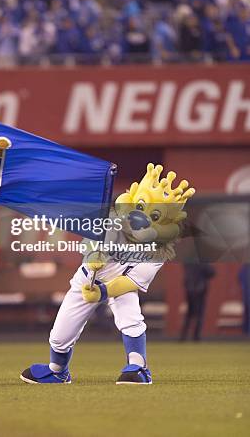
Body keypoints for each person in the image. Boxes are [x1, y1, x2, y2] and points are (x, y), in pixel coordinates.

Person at [20, 164, 195, 385]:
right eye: (141, 206)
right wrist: (94, 253)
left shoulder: (157, 250)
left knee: (131, 320)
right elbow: (89, 240)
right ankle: (57, 370)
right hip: (86, 280)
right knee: (60, 334)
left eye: (155, 215)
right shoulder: (111, 220)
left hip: (120, 285)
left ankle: (138, 367)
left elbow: (131, 281)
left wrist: (102, 292)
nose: (142, 217)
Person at [180, 263, 215, 341]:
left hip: (189, 289)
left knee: (189, 314)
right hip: (200, 289)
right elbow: (211, 272)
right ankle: (196, 336)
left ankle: (183, 336)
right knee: (200, 314)